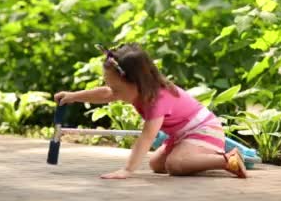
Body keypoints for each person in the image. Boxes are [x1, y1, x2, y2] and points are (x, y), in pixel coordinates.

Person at [53, 43, 247, 179]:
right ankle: (201, 159)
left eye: (118, 89)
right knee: (156, 165)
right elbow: (105, 93)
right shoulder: (140, 90)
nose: (114, 93)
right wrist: (73, 96)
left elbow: (146, 138)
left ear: (137, 83)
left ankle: (227, 160)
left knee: (175, 165)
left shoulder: (157, 99)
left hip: (204, 131)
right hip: (184, 135)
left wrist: (127, 170)